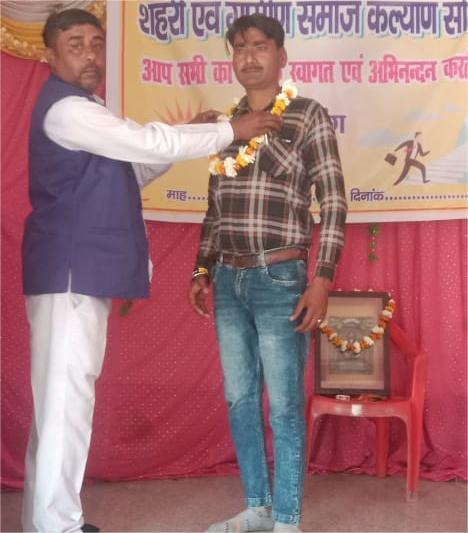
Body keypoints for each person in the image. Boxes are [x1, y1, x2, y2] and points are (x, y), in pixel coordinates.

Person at [21, 8, 282, 533]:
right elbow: (146, 143)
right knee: (66, 403)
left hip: (73, 272)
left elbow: (133, 169)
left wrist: (192, 134)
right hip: (70, 272)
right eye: (76, 45)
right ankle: (57, 526)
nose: (90, 55)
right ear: (50, 56)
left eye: (97, 43)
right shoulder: (68, 110)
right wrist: (229, 130)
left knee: (59, 401)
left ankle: (46, 520)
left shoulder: (88, 111)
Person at [189, 14, 347, 533]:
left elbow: (334, 200)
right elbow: (215, 208)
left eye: (259, 46)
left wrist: (321, 279)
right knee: (239, 398)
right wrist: (202, 267)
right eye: (239, 47)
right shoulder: (225, 125)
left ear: (281, 56)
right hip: (229, 281)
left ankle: (286, 519)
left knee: (283, 404)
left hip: (281, 278)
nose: (248, 56)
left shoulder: (307, 115)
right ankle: (256, 507)